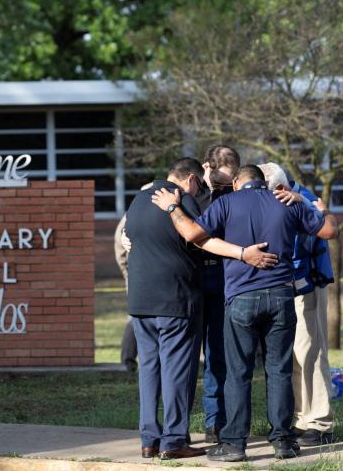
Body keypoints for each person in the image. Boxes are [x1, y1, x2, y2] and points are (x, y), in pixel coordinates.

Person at [150, 164, 338, 462]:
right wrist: (321, 208)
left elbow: (192, 233)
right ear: (264, 182)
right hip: (282, 296)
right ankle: (283, 441)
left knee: (238, 372)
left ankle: (235, 444)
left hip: (241, 299)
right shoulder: (286, 201)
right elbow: (329, 231)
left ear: (237, 182)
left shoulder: (226, 202)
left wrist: (172, 207)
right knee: (280, 370)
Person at [126, 158, 278, 460]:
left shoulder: (138, 200)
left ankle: (149, 439)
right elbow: (202, 238)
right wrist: (242, 253)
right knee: (176, 371)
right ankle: (173, 441)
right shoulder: (182, 200)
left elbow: (131, 238)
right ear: (192, 179)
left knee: (149, 370)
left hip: (140, 300)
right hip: (175, 299)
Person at [258, 163, 335, 447]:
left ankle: (319, 423)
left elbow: (326, 229)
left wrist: (304, 203)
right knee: (291, 356)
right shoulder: (282, 197)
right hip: (282, 288)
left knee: (310, 353)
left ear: (280, 188)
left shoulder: (303, 199)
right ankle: (301, 419)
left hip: (306, 286)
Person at [196, 145, 240, 443]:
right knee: (187, 354)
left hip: (225, 276)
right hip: (194, 278)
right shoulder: (191, 195)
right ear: (207, 169)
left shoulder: (236, 196)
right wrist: (207, 190)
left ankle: (216, 421)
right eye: (220, 181)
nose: (225, 187)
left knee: (218, 352)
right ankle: (176, 426)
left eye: (230, 182)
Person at [114, 214, 138, 372]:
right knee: (134, 317)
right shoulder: (132, 214)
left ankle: (127, 361)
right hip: (135, 273)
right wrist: (126, 272)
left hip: (136, 272)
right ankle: (127, 361)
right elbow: (120, 245)